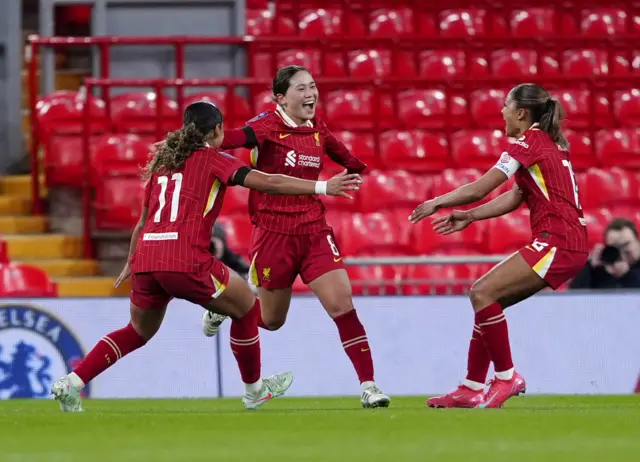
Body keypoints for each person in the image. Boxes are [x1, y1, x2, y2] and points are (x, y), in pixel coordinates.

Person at [50, 101, 362, 412]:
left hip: (147, 259)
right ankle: (253, 390)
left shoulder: (163, 165)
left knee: (137, 331)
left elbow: (144, 221)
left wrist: (132, 261)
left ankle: (72, 383)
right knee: (246, 309)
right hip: (185, 259)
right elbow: (269, 181)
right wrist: (322, 185)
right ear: (216, 130)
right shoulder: (215, 159)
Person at [202, 65, 390, 408]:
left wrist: (357, 170)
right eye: (301, 89)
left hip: (314, 230)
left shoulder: (317, 127)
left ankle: (369, 385)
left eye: (313, 87)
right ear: (281, 97)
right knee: (271, 321)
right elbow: (224, 139)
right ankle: (227, 308)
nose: (311, 94)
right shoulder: (265, 126)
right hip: (274, 234)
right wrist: (187, 142)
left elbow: (345, 156)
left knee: (342, 305)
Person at [409, 83, 588, 409]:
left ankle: (506, 377)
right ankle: (471, 386)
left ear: (521, 113)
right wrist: (471, 216)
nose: (502, 111)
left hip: (558, 242)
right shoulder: (548, 143)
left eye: (506, 105)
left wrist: (438, 201)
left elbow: (483, 186)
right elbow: (516, 195)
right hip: (568, 243)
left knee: (482, 292)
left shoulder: (528, 142)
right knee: (488, 301)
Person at [569, 218, 640, 289]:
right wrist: (590, 268)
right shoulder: (600, 272)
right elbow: (573, 294)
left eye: (626, 244)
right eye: (614, 247)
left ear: (638, 242)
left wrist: (627, 276)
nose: (621, 251)